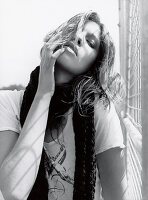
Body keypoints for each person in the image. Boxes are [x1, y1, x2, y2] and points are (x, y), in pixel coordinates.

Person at [0, 11, 128, 200]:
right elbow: (14, 191)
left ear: (93, 65)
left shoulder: (99, 111)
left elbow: (116, 196)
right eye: (74, 30)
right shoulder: (9, 103)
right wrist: (44, 93)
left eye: (90, 42)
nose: (78, 38)